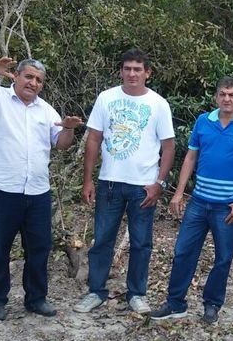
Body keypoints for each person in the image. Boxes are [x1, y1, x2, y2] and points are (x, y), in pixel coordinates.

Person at [0, 56, 83, 321]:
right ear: (16, 76)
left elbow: (62, 144)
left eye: (39, 80)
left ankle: (36, 298)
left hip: (37, 192)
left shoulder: (46, 111)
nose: (33, 83)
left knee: (39, 248)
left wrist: (68, 129)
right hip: (0, 189)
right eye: (29, 77)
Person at [150, 77, 233, 324]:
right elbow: (191, 158)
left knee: (223, 257)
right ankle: (175, 302)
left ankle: (212, 304)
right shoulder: (204, 121)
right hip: (199, 201)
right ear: (216, 97)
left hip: (228, 206)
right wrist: (179, 193)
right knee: (183, 251)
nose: (226, 99)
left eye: (232, 95)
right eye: (222, 94)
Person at [75, 49, 175, 315]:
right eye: (127, 68)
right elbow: (94, 139)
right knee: (103, 239)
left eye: (138, 69)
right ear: (121, 70)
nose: (132, 73)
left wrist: (159, 183)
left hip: (143, 186)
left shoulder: (158, 104)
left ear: (147, 73)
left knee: (141, 242)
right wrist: (88, 180)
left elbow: (169, 147)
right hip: (109, 182)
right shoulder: (106, 98)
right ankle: (96, 291)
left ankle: (137, 293)